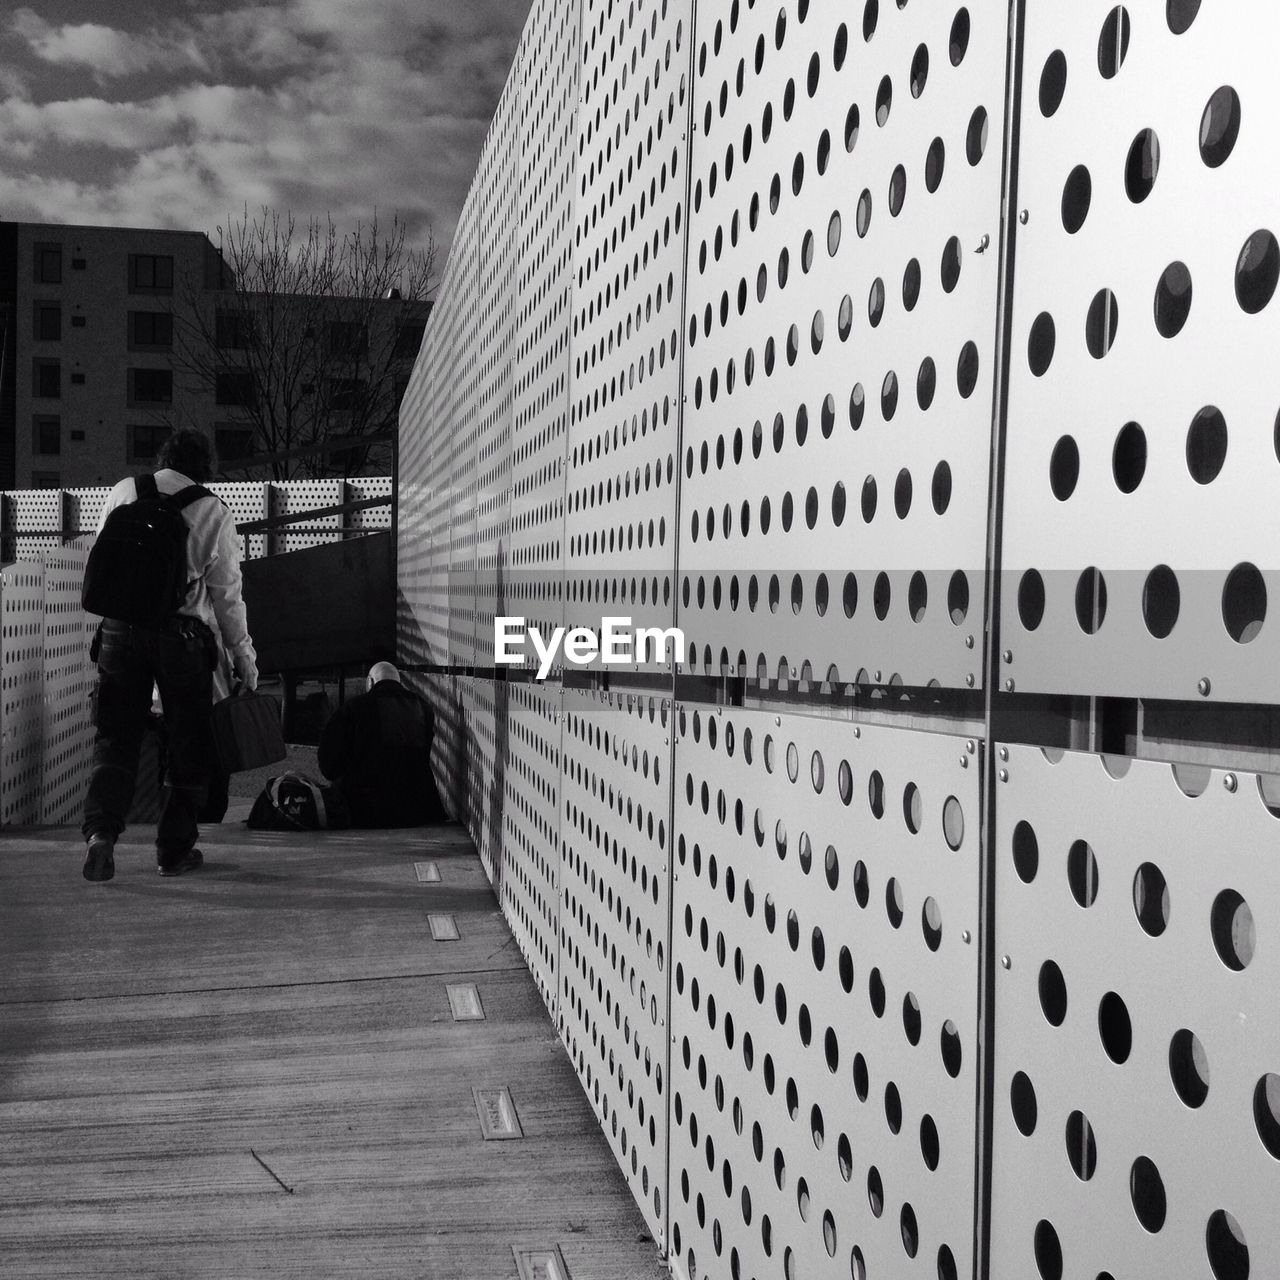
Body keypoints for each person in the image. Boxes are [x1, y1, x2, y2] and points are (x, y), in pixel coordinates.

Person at [81, 429, 258, 881]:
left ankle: (101, 834)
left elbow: (104, 562)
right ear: (205, 467)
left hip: (119, 632)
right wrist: (243, 657)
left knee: (115, 737)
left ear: (163, 459)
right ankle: (173, 852)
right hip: (180, 640)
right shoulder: (213, 509)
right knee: (187, 744)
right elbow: (227, 597)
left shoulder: (124, 490)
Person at [317, 662, 444, 827]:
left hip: (363, 811)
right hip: (416, 809)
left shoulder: (353, 709)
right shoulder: (423, 707)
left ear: (370, 682)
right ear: (398, 682)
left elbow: (329, 764)